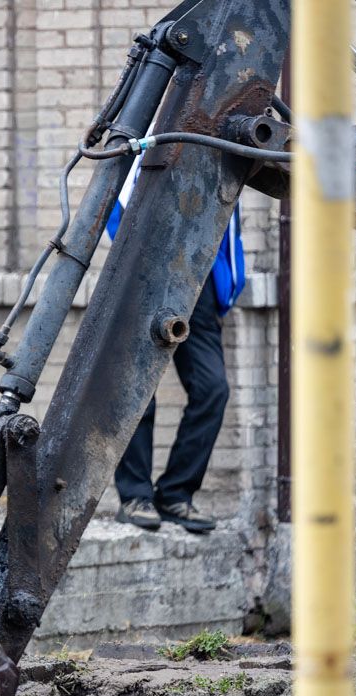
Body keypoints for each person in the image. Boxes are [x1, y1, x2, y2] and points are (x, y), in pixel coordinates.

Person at [111, 183, 245, 534]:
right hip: (147, 276)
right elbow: (121, 200)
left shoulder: (224, 143)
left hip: (199, 280)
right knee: (139, 391)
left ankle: (175, 494)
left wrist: (228, 282)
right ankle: (135, 496)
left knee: (213, 389)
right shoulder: (159, 129)